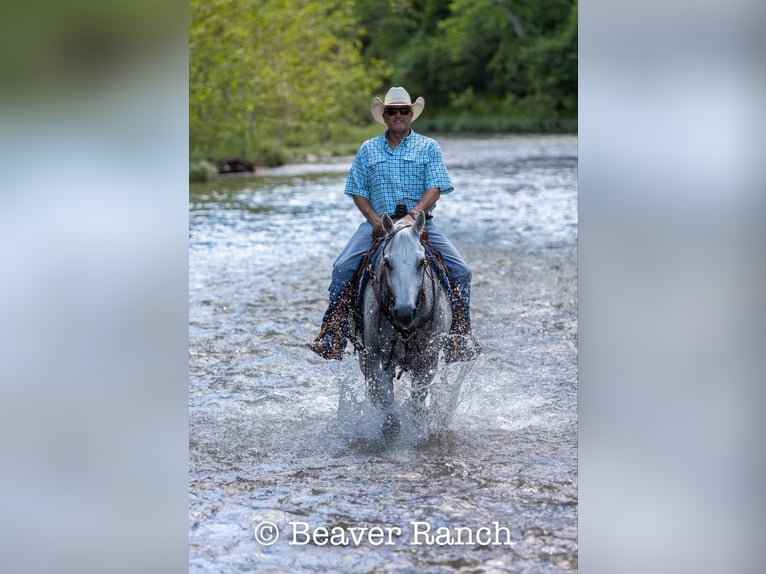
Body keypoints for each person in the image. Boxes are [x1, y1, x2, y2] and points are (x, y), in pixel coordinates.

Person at [308, 86, 480, 362]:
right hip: (378, 225)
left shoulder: (428, 147)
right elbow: (356, 189)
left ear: (411, 114)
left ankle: (460, 334)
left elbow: (436, 187)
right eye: (392, 111)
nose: (398, 115)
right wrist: (374, 220)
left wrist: (414, 215)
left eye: (403, 110)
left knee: (461, 271)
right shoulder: (368, 149)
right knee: (342, 267)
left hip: (420, 225)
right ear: (384, 116)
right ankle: (333, 333)